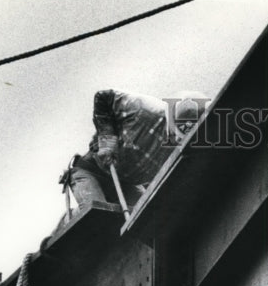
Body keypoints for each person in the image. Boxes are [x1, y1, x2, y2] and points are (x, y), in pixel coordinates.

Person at [60, 89, 208, 211]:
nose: (177, 140)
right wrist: (107, 141)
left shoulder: (187, 148)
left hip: (128, 185)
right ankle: (70, 219)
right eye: (176, 132)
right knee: (99, 216)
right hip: (93, 172)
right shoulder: (143, 109)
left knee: (144, 221)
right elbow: (103, 97)